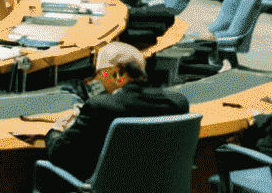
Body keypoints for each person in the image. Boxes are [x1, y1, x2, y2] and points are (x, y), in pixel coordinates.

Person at [42, 42, 189, 180]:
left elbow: (59, 154)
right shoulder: (178, 103)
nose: (97, 81)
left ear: (117, 73)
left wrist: (57, 129)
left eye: (100, 74)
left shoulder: (100, 107)